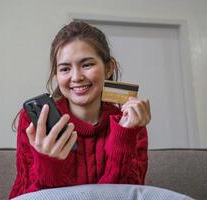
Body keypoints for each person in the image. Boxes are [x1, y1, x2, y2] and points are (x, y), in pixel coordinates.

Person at [8, 21, 151, 199]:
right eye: (65, 68)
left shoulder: (130, 123)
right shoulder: (36, 122)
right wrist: (48, 164)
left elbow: (127, 196)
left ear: (108, 68)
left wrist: (124, 137)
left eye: (87, 65)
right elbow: (25, 196)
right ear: (56, 76)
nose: (76, 77)